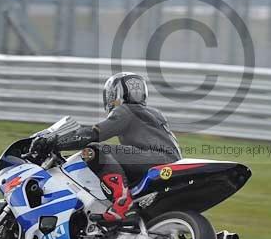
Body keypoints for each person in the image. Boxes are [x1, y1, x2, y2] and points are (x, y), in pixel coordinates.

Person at [33, 72, 181, 224]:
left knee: (93, 150)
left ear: (114, 94)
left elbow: (94, 133)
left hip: (153, 158)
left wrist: (57, 141)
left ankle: (122, 202)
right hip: (173, 161)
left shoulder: (126, 110)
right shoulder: (155, 113)